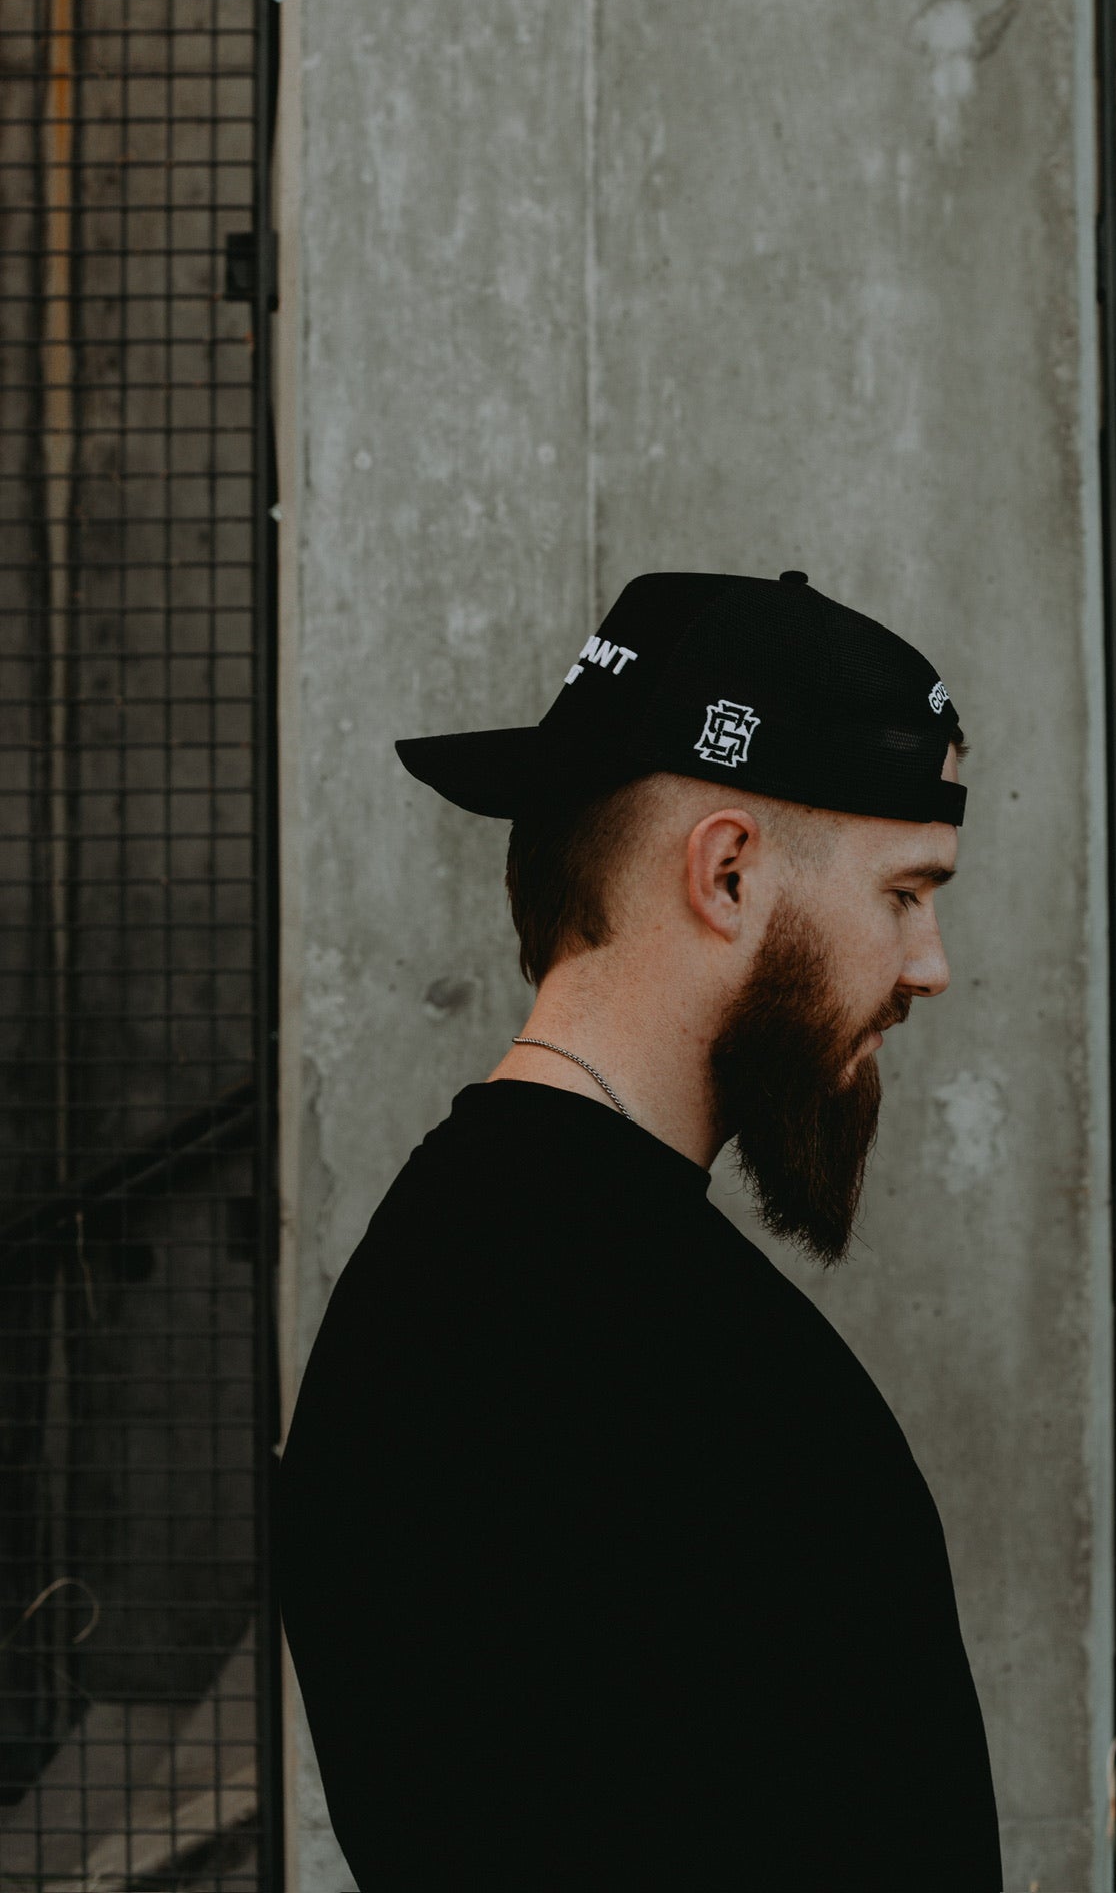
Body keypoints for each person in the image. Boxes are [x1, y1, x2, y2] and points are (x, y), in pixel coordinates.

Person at [277, 568, 1002, 1891]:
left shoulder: (432, 1288)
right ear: (725, 873)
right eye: (904, 892)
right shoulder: (679, 1360)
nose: (929, 965)